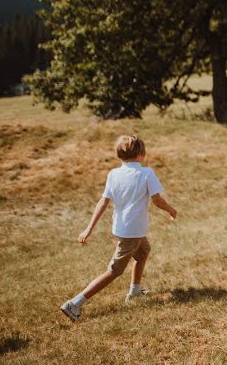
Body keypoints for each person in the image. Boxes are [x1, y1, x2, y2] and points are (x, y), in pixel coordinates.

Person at [60, 135, 178, 322]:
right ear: (142, 153)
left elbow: (104, 202)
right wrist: (172, 210)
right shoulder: (146, 173)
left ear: (119, 154)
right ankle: (74, 303)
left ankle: (135, 291)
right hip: (133, 231)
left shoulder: (113, 174)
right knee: (114, 270)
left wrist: (88, 229)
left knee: (143, 251)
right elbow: (157, 200)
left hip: (122, 228)